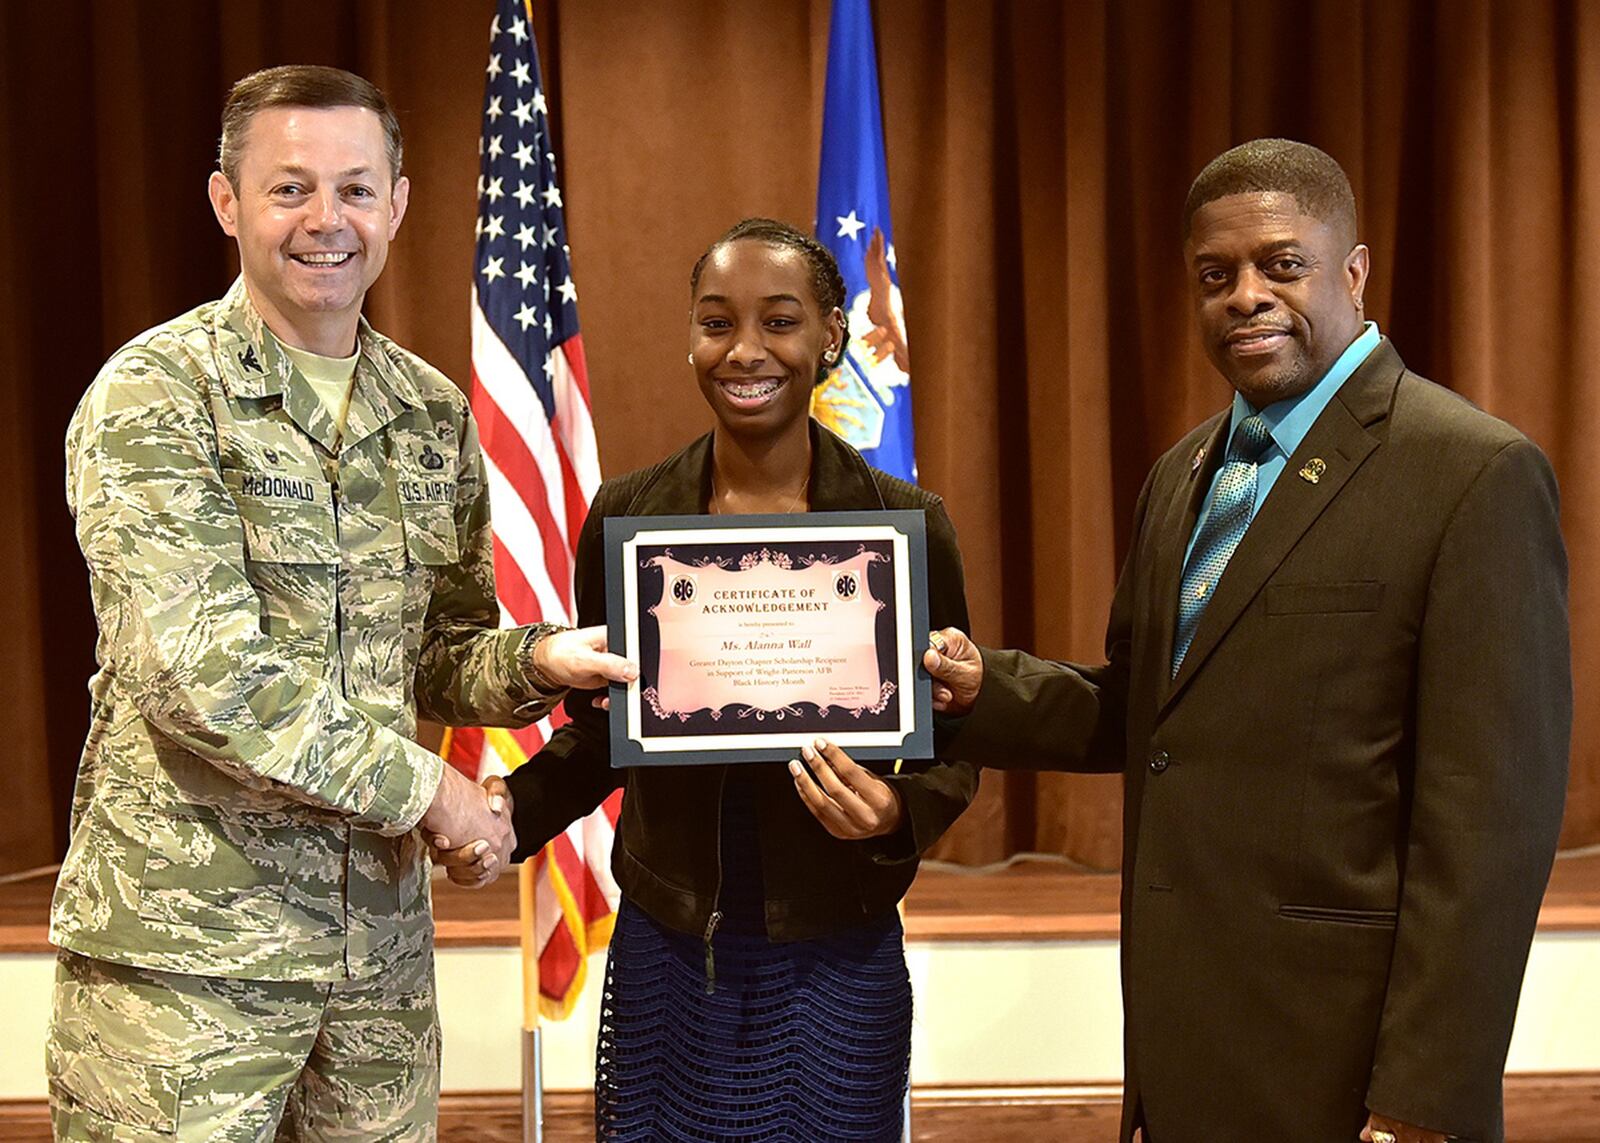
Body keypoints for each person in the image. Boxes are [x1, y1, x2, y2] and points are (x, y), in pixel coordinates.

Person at [924, 139, 1570, 1143]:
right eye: (1214, 275)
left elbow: (1489, 831)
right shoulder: (1183, 474)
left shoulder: (1472, 473)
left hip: (1353, 1076)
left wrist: (1423, 1098)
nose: (1245, 297)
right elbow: (1151, 709)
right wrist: (982, 695)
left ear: (1352, 272)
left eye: (1282, 264)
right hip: (1184, 1061)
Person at [47, 65, 634, 1141]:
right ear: (227, 203)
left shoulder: (429, 412)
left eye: (357, 190)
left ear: (399, 203)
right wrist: (441, 799)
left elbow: (440, 653)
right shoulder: (157, 396)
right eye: (290, 189)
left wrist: (544, 661)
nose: (328, 221)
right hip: (188, 969)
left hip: (376, 968)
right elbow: (204, 680)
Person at [436, 217, 976, 1142]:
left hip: (836, 946)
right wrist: (510, 812)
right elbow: (606, 727)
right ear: (691, 336)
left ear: (832, 337)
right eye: (718, 322)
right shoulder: (629, 517)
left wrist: (895, 816)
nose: (747, 351)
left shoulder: (904, 525)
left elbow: (955, 738)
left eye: (781, 321)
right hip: (670, 947)